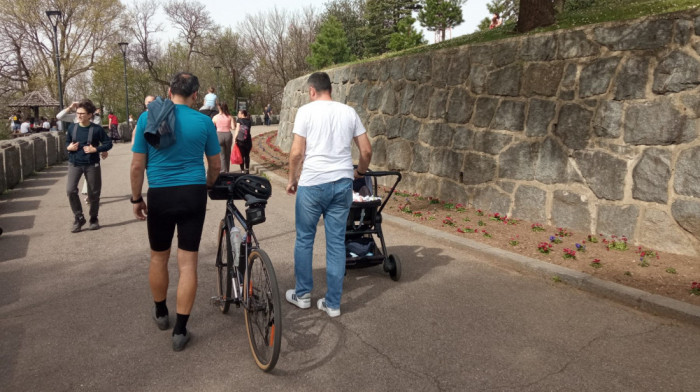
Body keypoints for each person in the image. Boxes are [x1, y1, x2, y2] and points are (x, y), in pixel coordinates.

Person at [130, 72, 221, 352]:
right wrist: (205, 185)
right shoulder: (204, 121)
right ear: (196, 96)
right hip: (192, 192)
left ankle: (160, 312)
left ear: (169, 92)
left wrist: (136, 198)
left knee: (159, 257)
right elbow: (215, 166)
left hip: (161, 194)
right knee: (187, 263)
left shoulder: (148, 118)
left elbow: (136, 166)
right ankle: (180, 331)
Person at [285, 72, 372, 318]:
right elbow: (366, 150)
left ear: (312, 91)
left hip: (312, 183)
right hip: (342, 183)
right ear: (330, 90)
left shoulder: (306, 112)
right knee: (335, 243)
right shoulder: (348, 112)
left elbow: (296, 153)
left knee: (304, 239)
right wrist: (360, 172)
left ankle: (302, 295)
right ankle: (332, 303)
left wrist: (292, 179)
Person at [65, 99, 113, 232]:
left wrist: (96, 149)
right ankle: (79, 217)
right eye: (77, 113)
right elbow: (67, 142)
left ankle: (93, 218)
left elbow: (108, 143)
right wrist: (69, 147)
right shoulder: (72, 128)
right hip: (75, 163)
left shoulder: (96, 129)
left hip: (92, 164)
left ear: (90, 115)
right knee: (70, 190)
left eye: (82, 113)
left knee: (94, 193)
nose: (79, 116)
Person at [212, 102, 235, 172]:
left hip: (219, 135)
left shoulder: (215, 117)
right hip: (228, 135)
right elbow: (233, 127)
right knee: (227, 154)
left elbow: (211, 127)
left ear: (219, 107)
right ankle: (227, 170)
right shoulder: (230, 117)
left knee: (222, 155)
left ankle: (223, 171)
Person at [234, 109, 253, 174]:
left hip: (240, 141)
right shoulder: (249, 121)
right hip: (248, 140)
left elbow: (237, 130)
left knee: (241, 156)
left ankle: (242, 170)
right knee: (247, 155)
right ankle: (247, 169)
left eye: (239, 113)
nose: (238, 115)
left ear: (242, 114)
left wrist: (235, 138)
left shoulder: (239, 120)